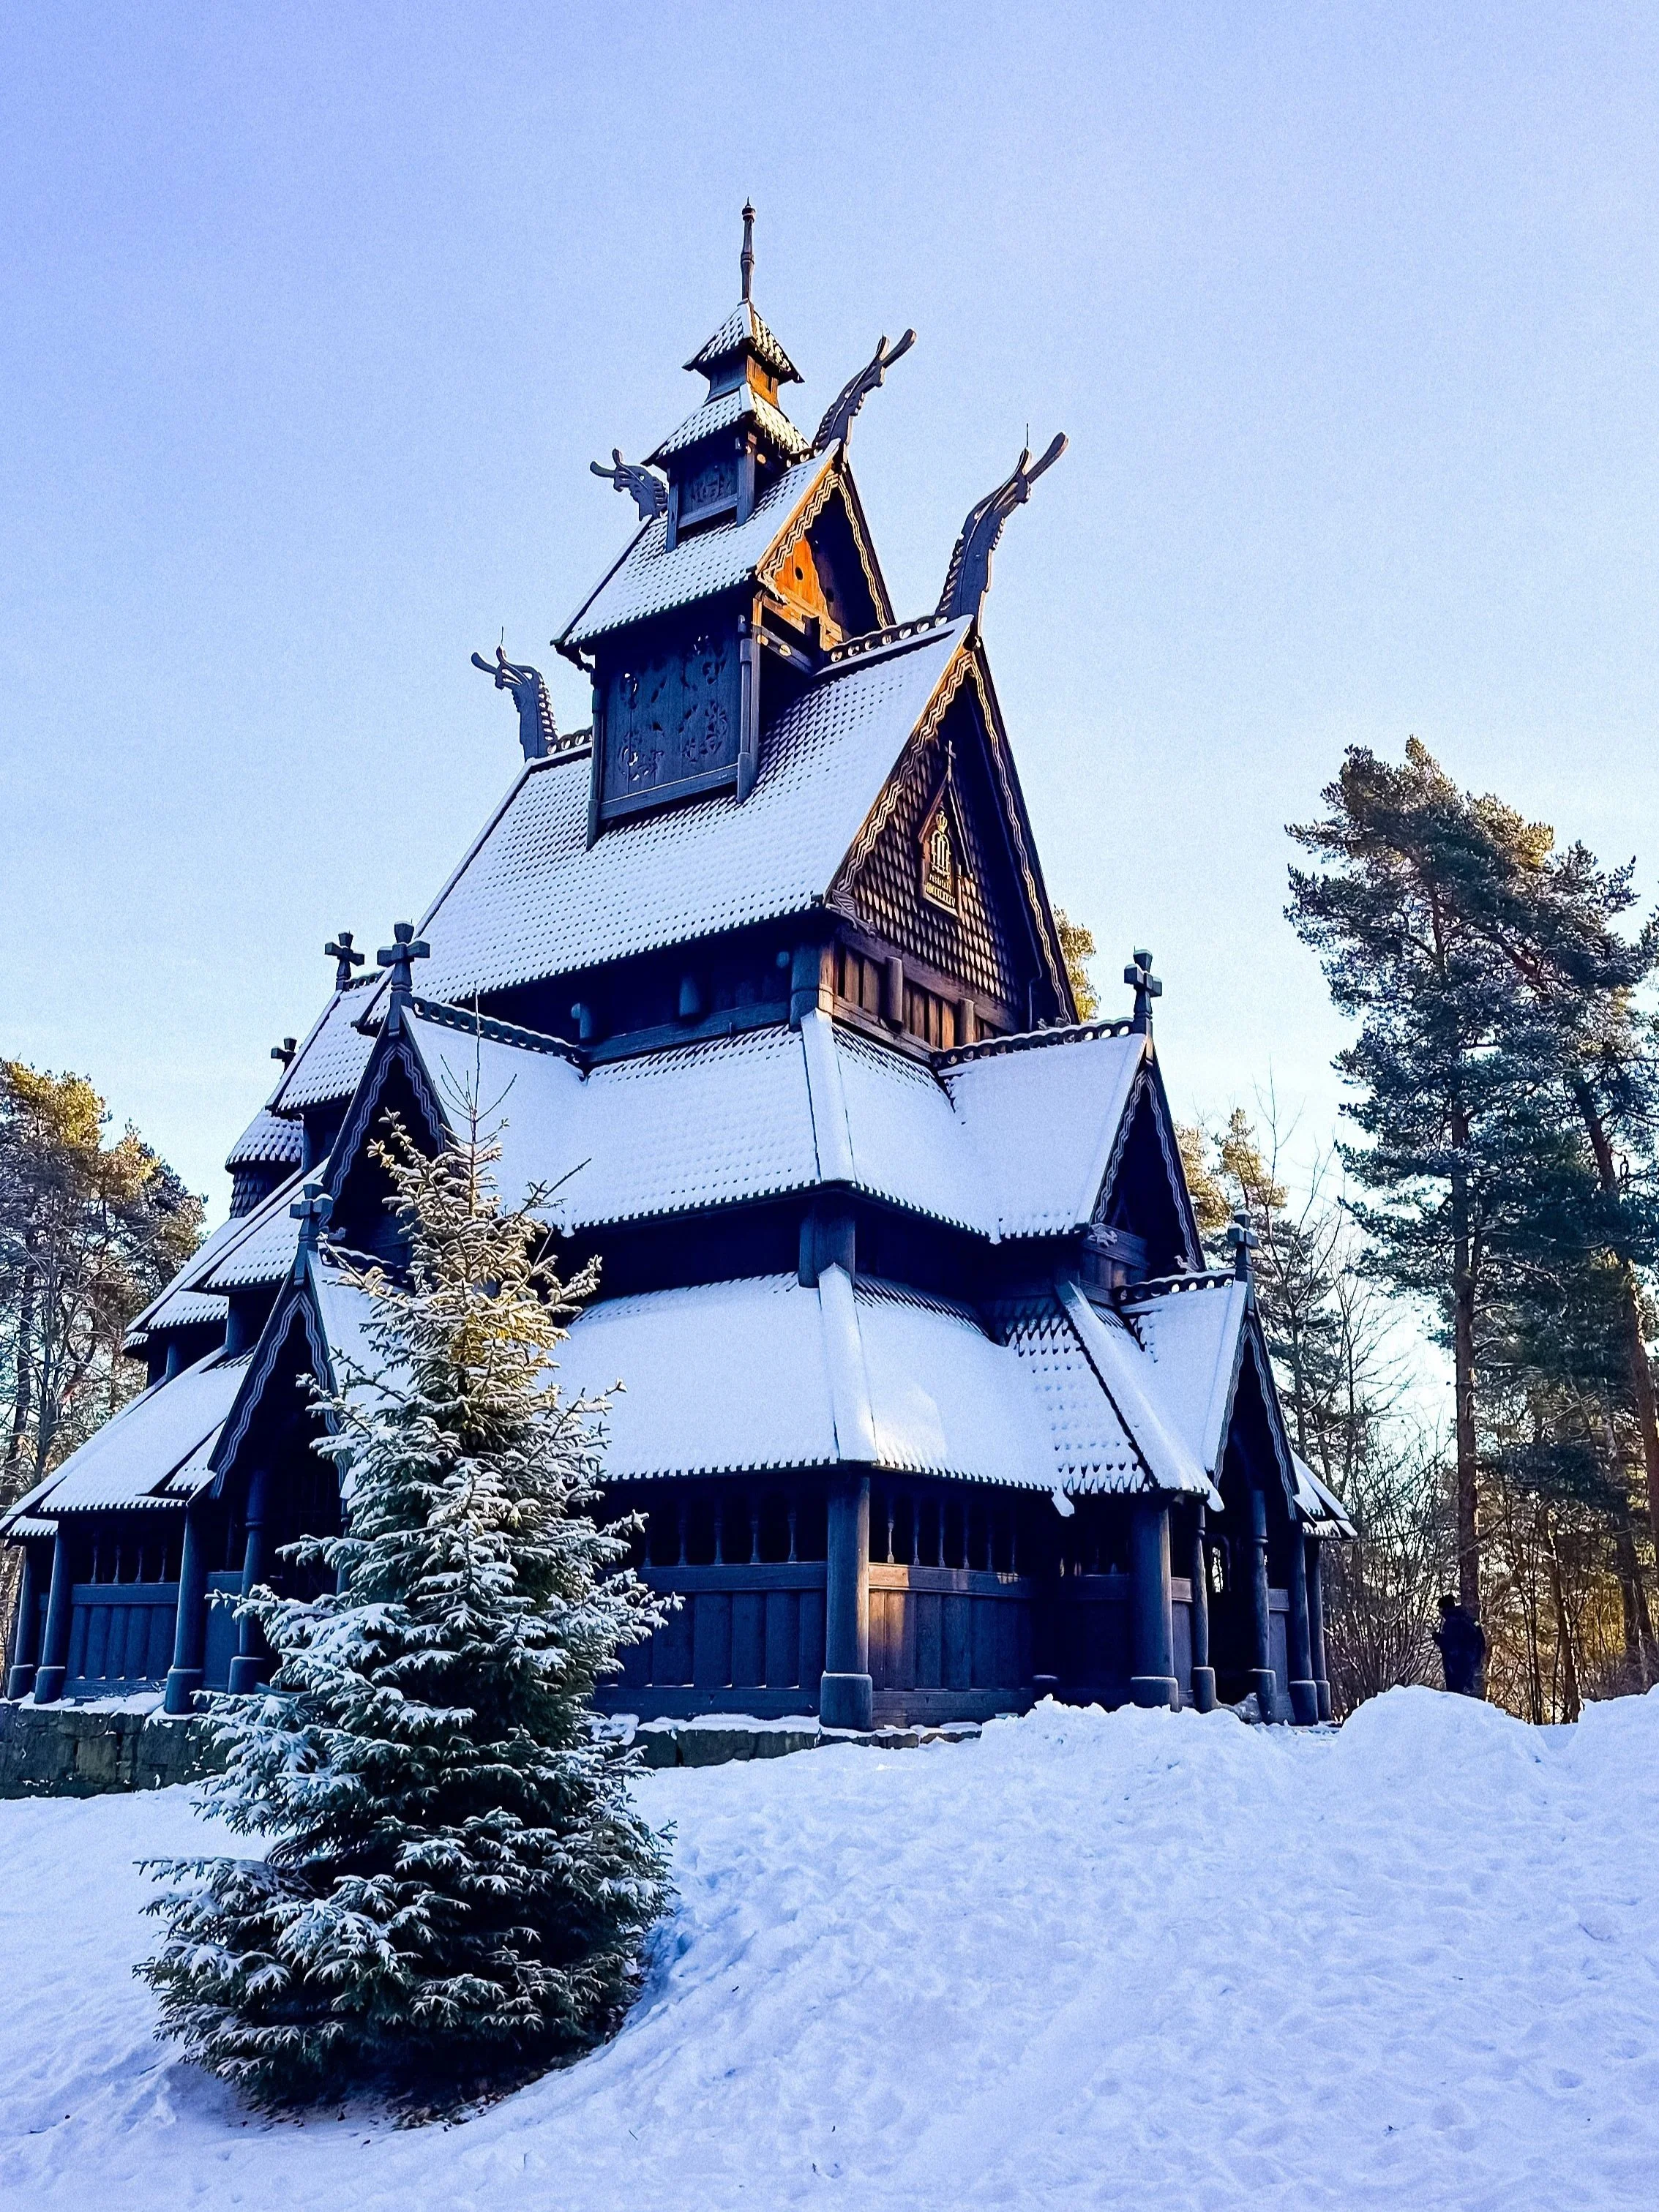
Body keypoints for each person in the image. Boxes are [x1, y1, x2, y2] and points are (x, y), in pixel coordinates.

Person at [1434, 1593, 1486, 1697]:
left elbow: (1452, 1648)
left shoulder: (1452, 1623)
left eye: (1441, 1610)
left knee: (1457, 1701)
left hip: (1457, 1672)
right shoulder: (1465, 1618)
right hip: (1472, 1669)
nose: (1440, 1613)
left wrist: (1439, 1639)